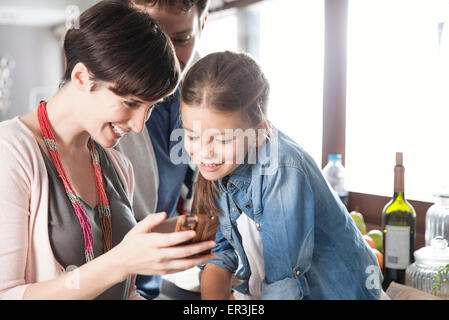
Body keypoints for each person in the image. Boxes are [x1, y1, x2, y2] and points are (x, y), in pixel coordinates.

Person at [0, 1, 215, 300]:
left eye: (150, 108)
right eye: (130, 103)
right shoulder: (10, 152)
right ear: (80, 78)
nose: (140, 126)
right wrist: (121, 262)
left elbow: (125, 292)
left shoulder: (115, 164)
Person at [179, 51, 383, 300]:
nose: (203, 151)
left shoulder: (282, 168)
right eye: (191, 135)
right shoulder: (220, 167)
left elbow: (283, 282)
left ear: (260, 132)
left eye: (221, 139)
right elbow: (221, 257)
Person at [114, 0, 209, 299]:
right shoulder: (105, 110)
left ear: (202, 25)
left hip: (154, 284)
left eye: (181, 39)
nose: (164, 56)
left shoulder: (204, 96)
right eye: (150, 36)